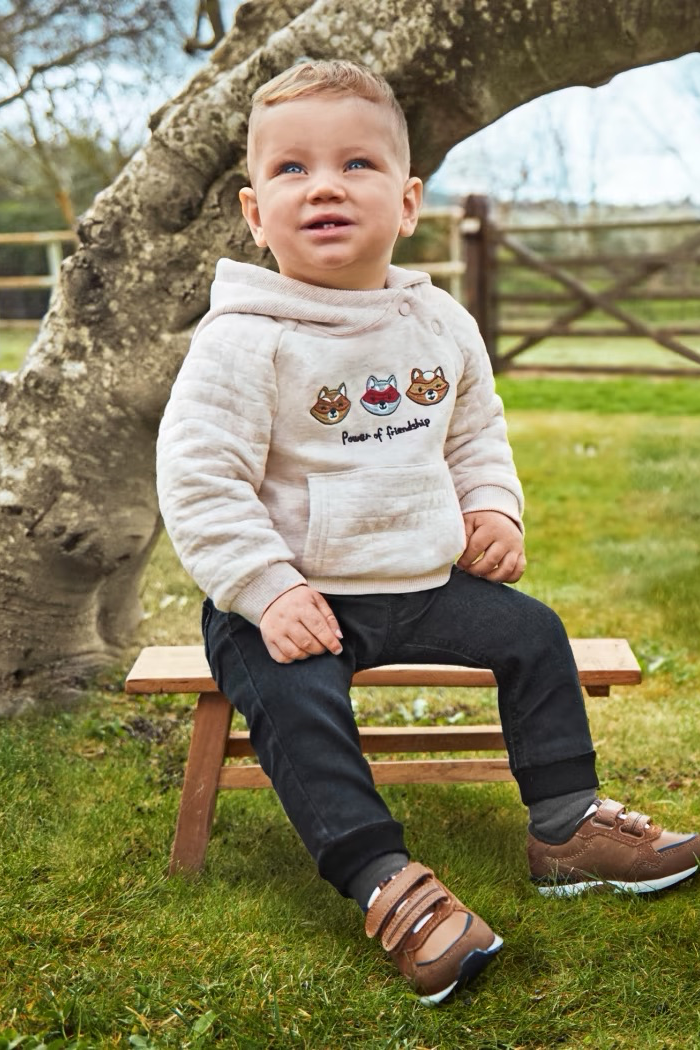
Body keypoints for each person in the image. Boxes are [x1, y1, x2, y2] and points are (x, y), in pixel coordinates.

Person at [156, 59, 698, 1005]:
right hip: (288, 599)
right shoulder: (244, 338)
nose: (323, 184)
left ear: (407, 201)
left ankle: (566, 824)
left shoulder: (437, 321)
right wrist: (266, 589)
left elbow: (476, 431)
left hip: (413, 582)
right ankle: (385, 883)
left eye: (355, 163)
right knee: (295, 704)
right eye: (291, 171)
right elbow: (201, 483)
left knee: (531, 634)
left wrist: (492, 508)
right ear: (253, 212)